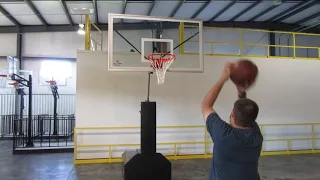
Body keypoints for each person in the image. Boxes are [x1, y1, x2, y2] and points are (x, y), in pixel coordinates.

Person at [201, 62, 263, 180]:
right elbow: (246, 113)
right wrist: (241, 93)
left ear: (233, 113)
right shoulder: (256, 137)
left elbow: (206, 105)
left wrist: (224, 77)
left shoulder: (224, 136)